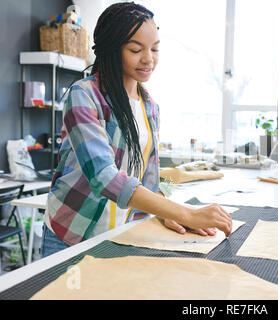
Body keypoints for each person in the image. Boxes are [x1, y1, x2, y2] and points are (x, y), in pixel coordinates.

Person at [41, 2, 232, 257]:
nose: (149, 59)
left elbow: (150, 176)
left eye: (155, 49)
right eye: (135, 49)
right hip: (71, 234)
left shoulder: (150, 106)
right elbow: (103, 176)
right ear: (112, 49)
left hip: (119, 236)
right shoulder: (84, 95)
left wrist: (165, 213)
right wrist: (188, 213)